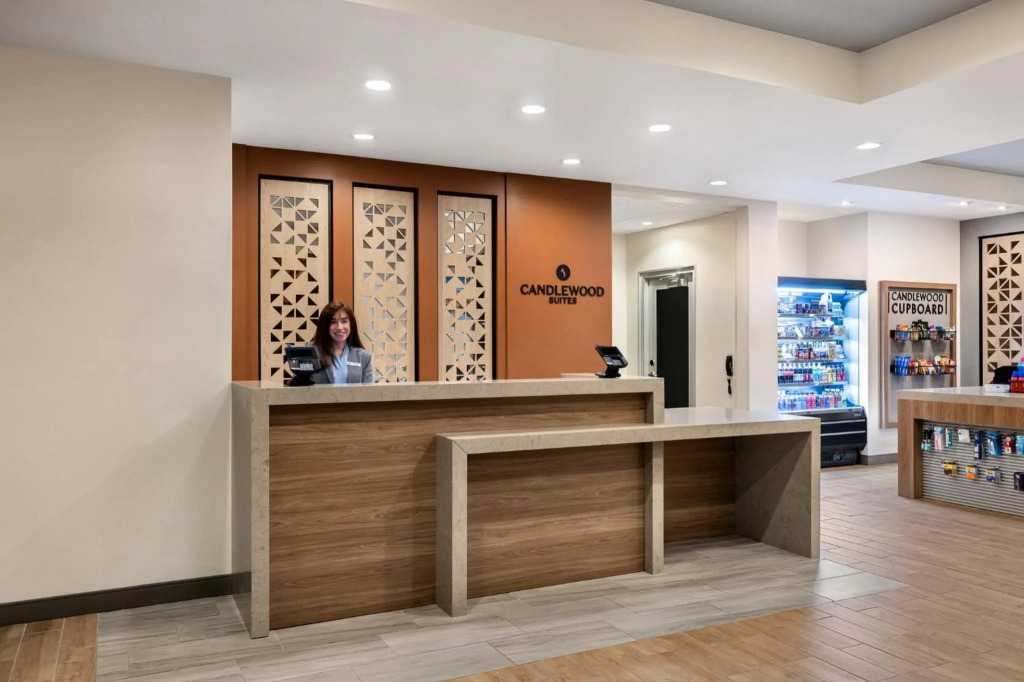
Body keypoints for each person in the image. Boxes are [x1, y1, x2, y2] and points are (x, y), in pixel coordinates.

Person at [309, 301, 374, 384]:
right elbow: (299, 388)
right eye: (333, 322)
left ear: (351, 324)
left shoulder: (364, 357)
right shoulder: (311, 352)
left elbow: (369, 391)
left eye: (344, 321)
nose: (339, 327)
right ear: (324, 325)